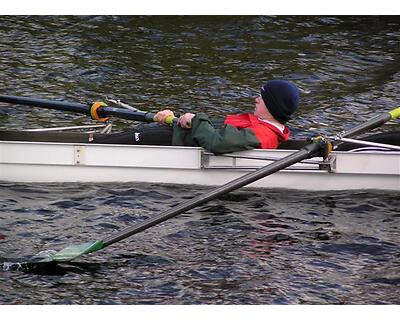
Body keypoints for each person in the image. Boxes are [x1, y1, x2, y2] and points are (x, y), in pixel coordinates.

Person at [93, 80, 300, 154]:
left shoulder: (264, 133)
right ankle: (93, 141)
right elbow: (211, 128)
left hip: (177, 142)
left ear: (273, 105)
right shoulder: (262, 124)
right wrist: (177, 117)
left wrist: (194, 119)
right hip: (177, 133)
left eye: (261, 98)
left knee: (106, 144)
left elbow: (217, 143)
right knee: (116, 138)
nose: (256, 99)